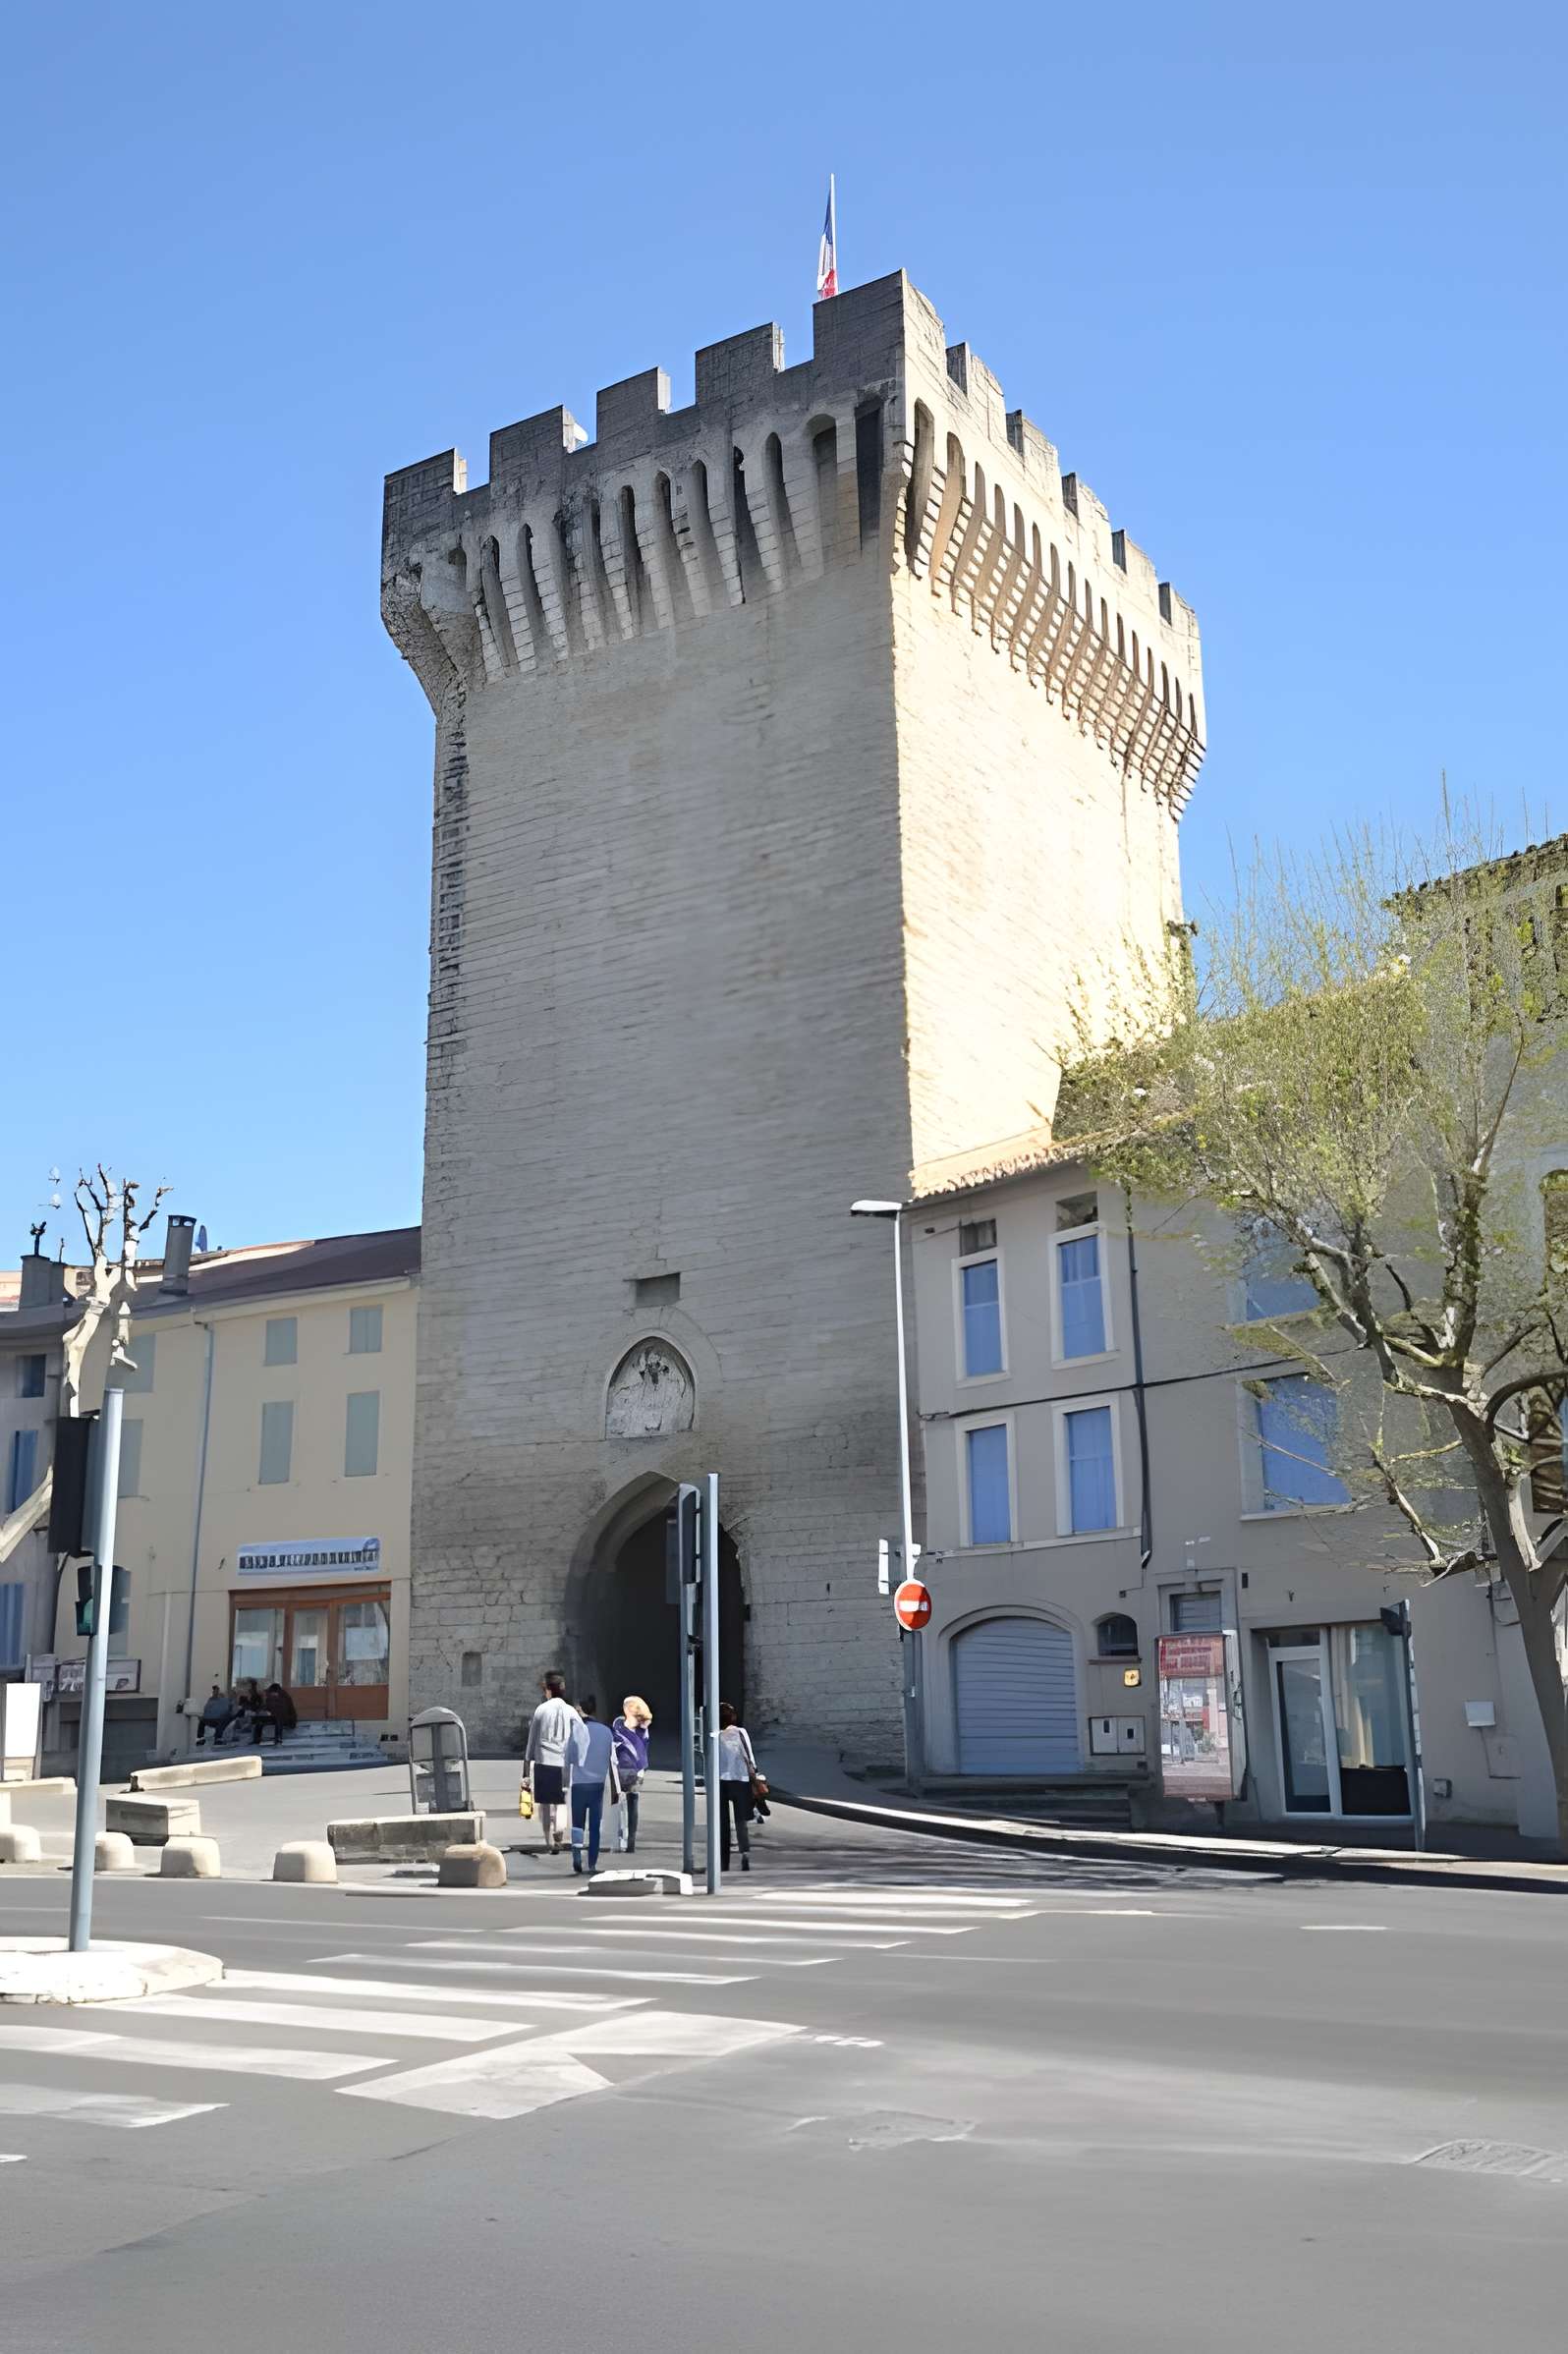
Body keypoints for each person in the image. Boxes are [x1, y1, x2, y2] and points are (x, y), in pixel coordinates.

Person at [524, 1670, 577, 1853]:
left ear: (547, 1690)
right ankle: (559, 1833)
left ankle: (548, 1841)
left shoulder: (541, 1710)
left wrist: (526, 1765)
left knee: (545, 1804)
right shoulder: (570, 1711)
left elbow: (532, 1740)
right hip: (564, 1763)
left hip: (544, 1762)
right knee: (561, 1802)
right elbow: (581, 1736)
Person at [568, 1697, 618, 1877]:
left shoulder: (575, 1731)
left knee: (577, 1824)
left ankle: (576, 1854)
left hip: (579, 1784)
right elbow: (612, 1761)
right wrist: (615, 1788)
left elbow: (569, 1757)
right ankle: (592, 1864)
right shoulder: (606, 1732)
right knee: (595, 1826)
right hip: (598, 1784)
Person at [715, 1700, 759, 1873]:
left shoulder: (715, 1735)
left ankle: (723, 1861)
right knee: (741, 1821)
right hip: (741, 1780)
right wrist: (754, 1773)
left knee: (722, 1823)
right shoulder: (741, 1732)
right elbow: (749, 1755)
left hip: (721, 1780)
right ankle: (744, 1855)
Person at [610, 1696, 651, 1852]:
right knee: (633, 1804)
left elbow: (613, 1745)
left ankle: (620, 1837)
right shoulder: (644, 1728)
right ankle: (631, 1842)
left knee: (619, 1805)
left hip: (620, 1769)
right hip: (638, 1770)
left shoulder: (618, 1724)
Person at [255, 1680, 297, 1748]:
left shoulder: (283, 1696)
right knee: (259, 1720)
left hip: (287, 1719)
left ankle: (278, 1739)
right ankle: (257, 1739)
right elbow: (267, 1707)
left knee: (278, 1718)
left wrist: (269, 1711)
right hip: (275, 1717)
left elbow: (284, 1711)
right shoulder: (272, 1697)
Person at [195, 1681, 235, 1748]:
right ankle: (200, 1739)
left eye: (216, 1690)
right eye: (214, 1691)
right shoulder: (211, 1700)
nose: (214, 1692)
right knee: (202, 1721)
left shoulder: (224, 1700)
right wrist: (203, 1716)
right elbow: (206, 1709)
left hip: (220, 1719)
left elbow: (229, 1709)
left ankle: (218, 1738)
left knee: (222, 1721)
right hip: (210, 1718)